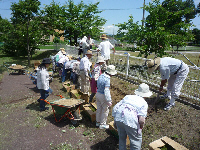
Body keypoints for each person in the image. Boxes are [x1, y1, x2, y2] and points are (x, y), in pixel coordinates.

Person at [112, 83, 152, 150]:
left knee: (122, 137)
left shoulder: (128, 96)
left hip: (119, 116)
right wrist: (140, 127)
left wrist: (115, 120)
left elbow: (115, 107)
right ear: (146, 95)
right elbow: (141, 120)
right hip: (130, 120)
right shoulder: (144, 103)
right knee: (135, 141)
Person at [96, 65, 117, 129]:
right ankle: (102, 124)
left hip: (98, 93)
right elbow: (106, 90)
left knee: (99, 108)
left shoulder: (101, 75)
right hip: (103, 95)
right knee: (105, 110)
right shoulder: (107, 79)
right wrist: (108, 100)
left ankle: (98, 122)